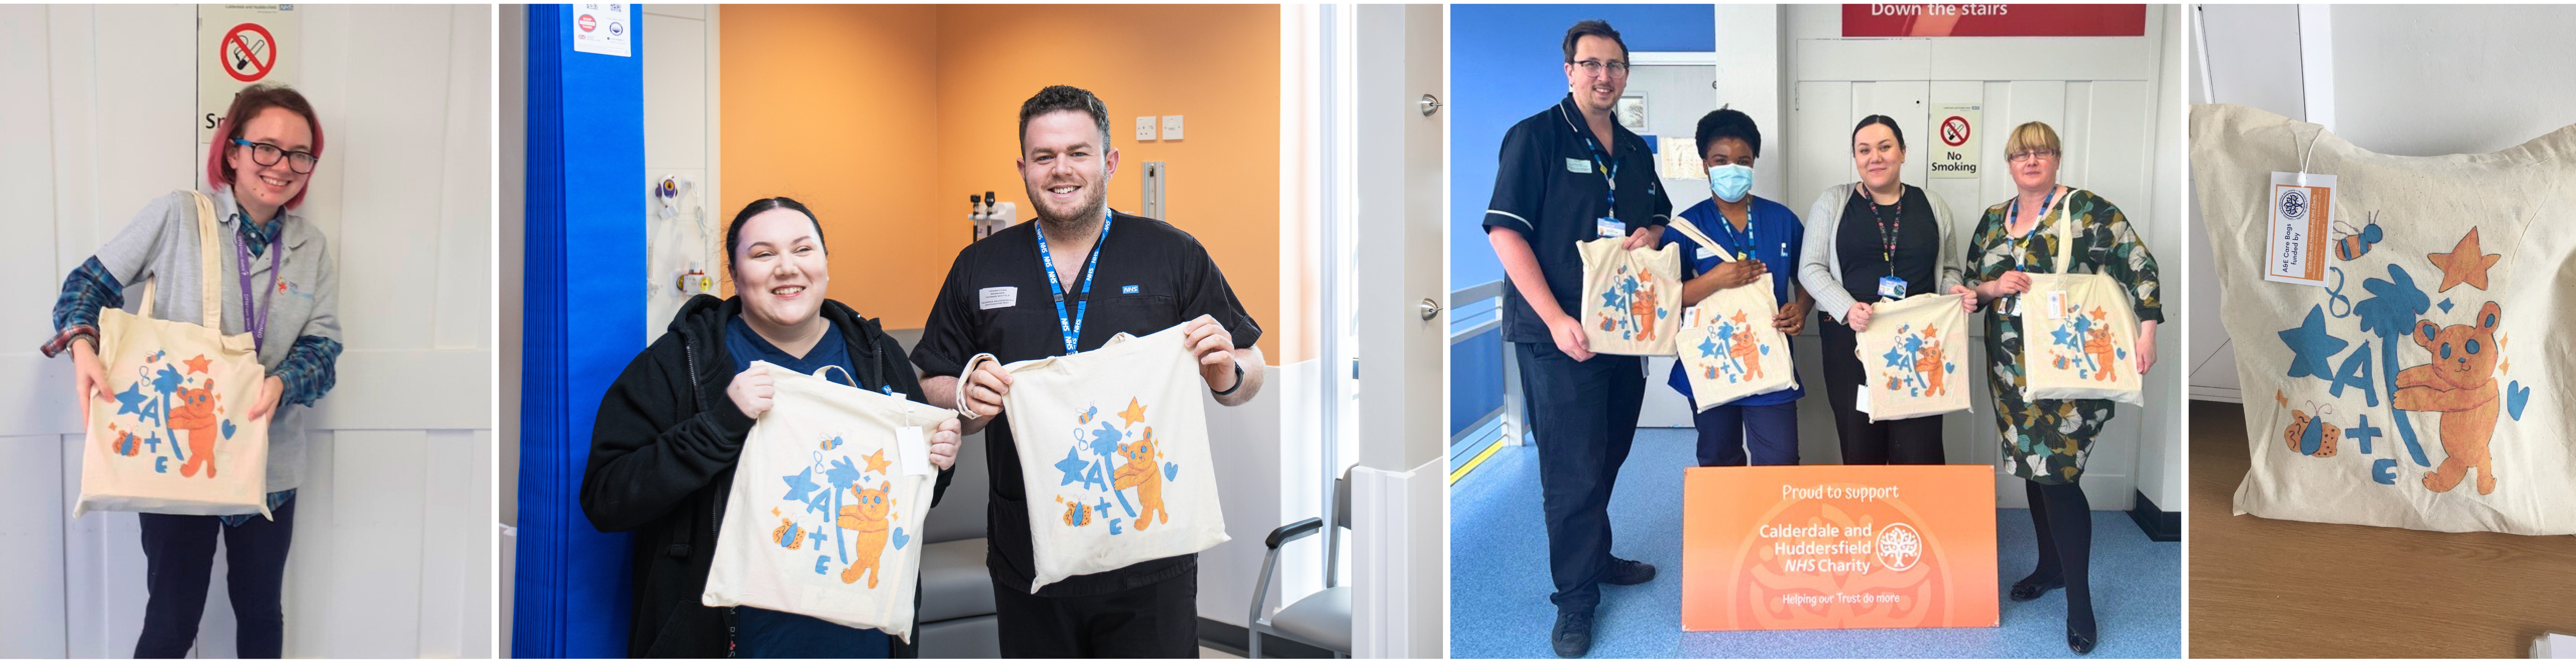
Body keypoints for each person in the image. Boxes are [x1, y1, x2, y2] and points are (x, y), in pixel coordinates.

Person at [912, 84, 1265, 658]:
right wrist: (964, 397)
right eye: (1045, 157)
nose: (1062, 170)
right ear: (1023, 167)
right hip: (1029, 551)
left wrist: (1227, 370)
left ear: (1110, 160)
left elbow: (1252, 369)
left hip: (1150, 553)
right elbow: (931, 382)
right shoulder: (979, 266)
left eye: (1078, 152)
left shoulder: (1172, 254)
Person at [582, 197, 966, 658]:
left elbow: (903, 503)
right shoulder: (681, 363)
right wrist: (721, 425)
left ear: (825, 262)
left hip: (860, 637)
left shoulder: (876, 358)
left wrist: (938, 464)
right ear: (735, 272)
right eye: (763, 255)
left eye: (803, 250)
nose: (787, 268)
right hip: (730, 638)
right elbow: (608, 500)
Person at [40, 84, 343, 659]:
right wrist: (83, 348)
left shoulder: (311, 247)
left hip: (269, 462)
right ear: (232, 150)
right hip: (174, 458)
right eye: (267, 148)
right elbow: (85, 287)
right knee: (173, 617)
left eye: (300, 154)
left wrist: (282, 383)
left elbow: (324, 347)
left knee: (261, 613)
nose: (283, 167)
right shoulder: (179, 215)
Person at [1481, 20, 1671, 659]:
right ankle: (1575, 599)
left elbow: (1658, 217)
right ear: (1569, 70)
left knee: (1610, 453)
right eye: (1591, 64)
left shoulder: (1637, 150)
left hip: (1622, 334)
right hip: (1558, 337)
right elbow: (1506, 235)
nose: (1604, 76)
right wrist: (1557, 319)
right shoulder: (1534, 138)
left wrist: (1647, 236)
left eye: (1615, 66)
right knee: (1572, 471)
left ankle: (1596, 554)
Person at [1963, 121, 2163, 655]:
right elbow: (1968, 290)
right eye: (2021, 153)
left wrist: (2147, 332)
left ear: (2056, 158)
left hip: (2073, 368)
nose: (2031, 160)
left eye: (2042, 151)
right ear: (2008, 162)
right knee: (2034, 467)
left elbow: (2139, 265)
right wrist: (1990, 287)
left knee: (2059, 474)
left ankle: (2079, 600)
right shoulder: (1990, 221)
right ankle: (2049, 567)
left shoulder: (2089, 211)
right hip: (2011, 371)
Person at [1797, 115, 1978, 466]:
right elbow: (1811, 268)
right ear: (1855, 157)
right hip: (1852, 339)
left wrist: (1952, 289)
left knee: (1919, 447)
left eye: (1885, 147)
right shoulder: (1833, 202)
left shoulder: (1933, 205)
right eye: (1864, 150)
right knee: (1861, 442)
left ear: (1903, 152)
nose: (1875, 158)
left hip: (1919, 343)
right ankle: (1871, 520)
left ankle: (1917, 520)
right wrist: (1848, 308)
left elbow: (1948, 267)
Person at [1659, 108, 1811, 467]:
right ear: (1705, 166)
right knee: (1718, 458)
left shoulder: (1782, 220)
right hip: (1709, 363)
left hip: (1769, 362)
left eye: (1743, 160)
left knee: (1781, 460)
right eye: (1721, 160)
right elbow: (1664, 299)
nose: (1733, 169)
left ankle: (1772, 526)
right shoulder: (1683, 228)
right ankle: (1728, 525)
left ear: (1754, 163)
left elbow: (1809, 276)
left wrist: (1801, 309)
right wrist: (1714, 281)